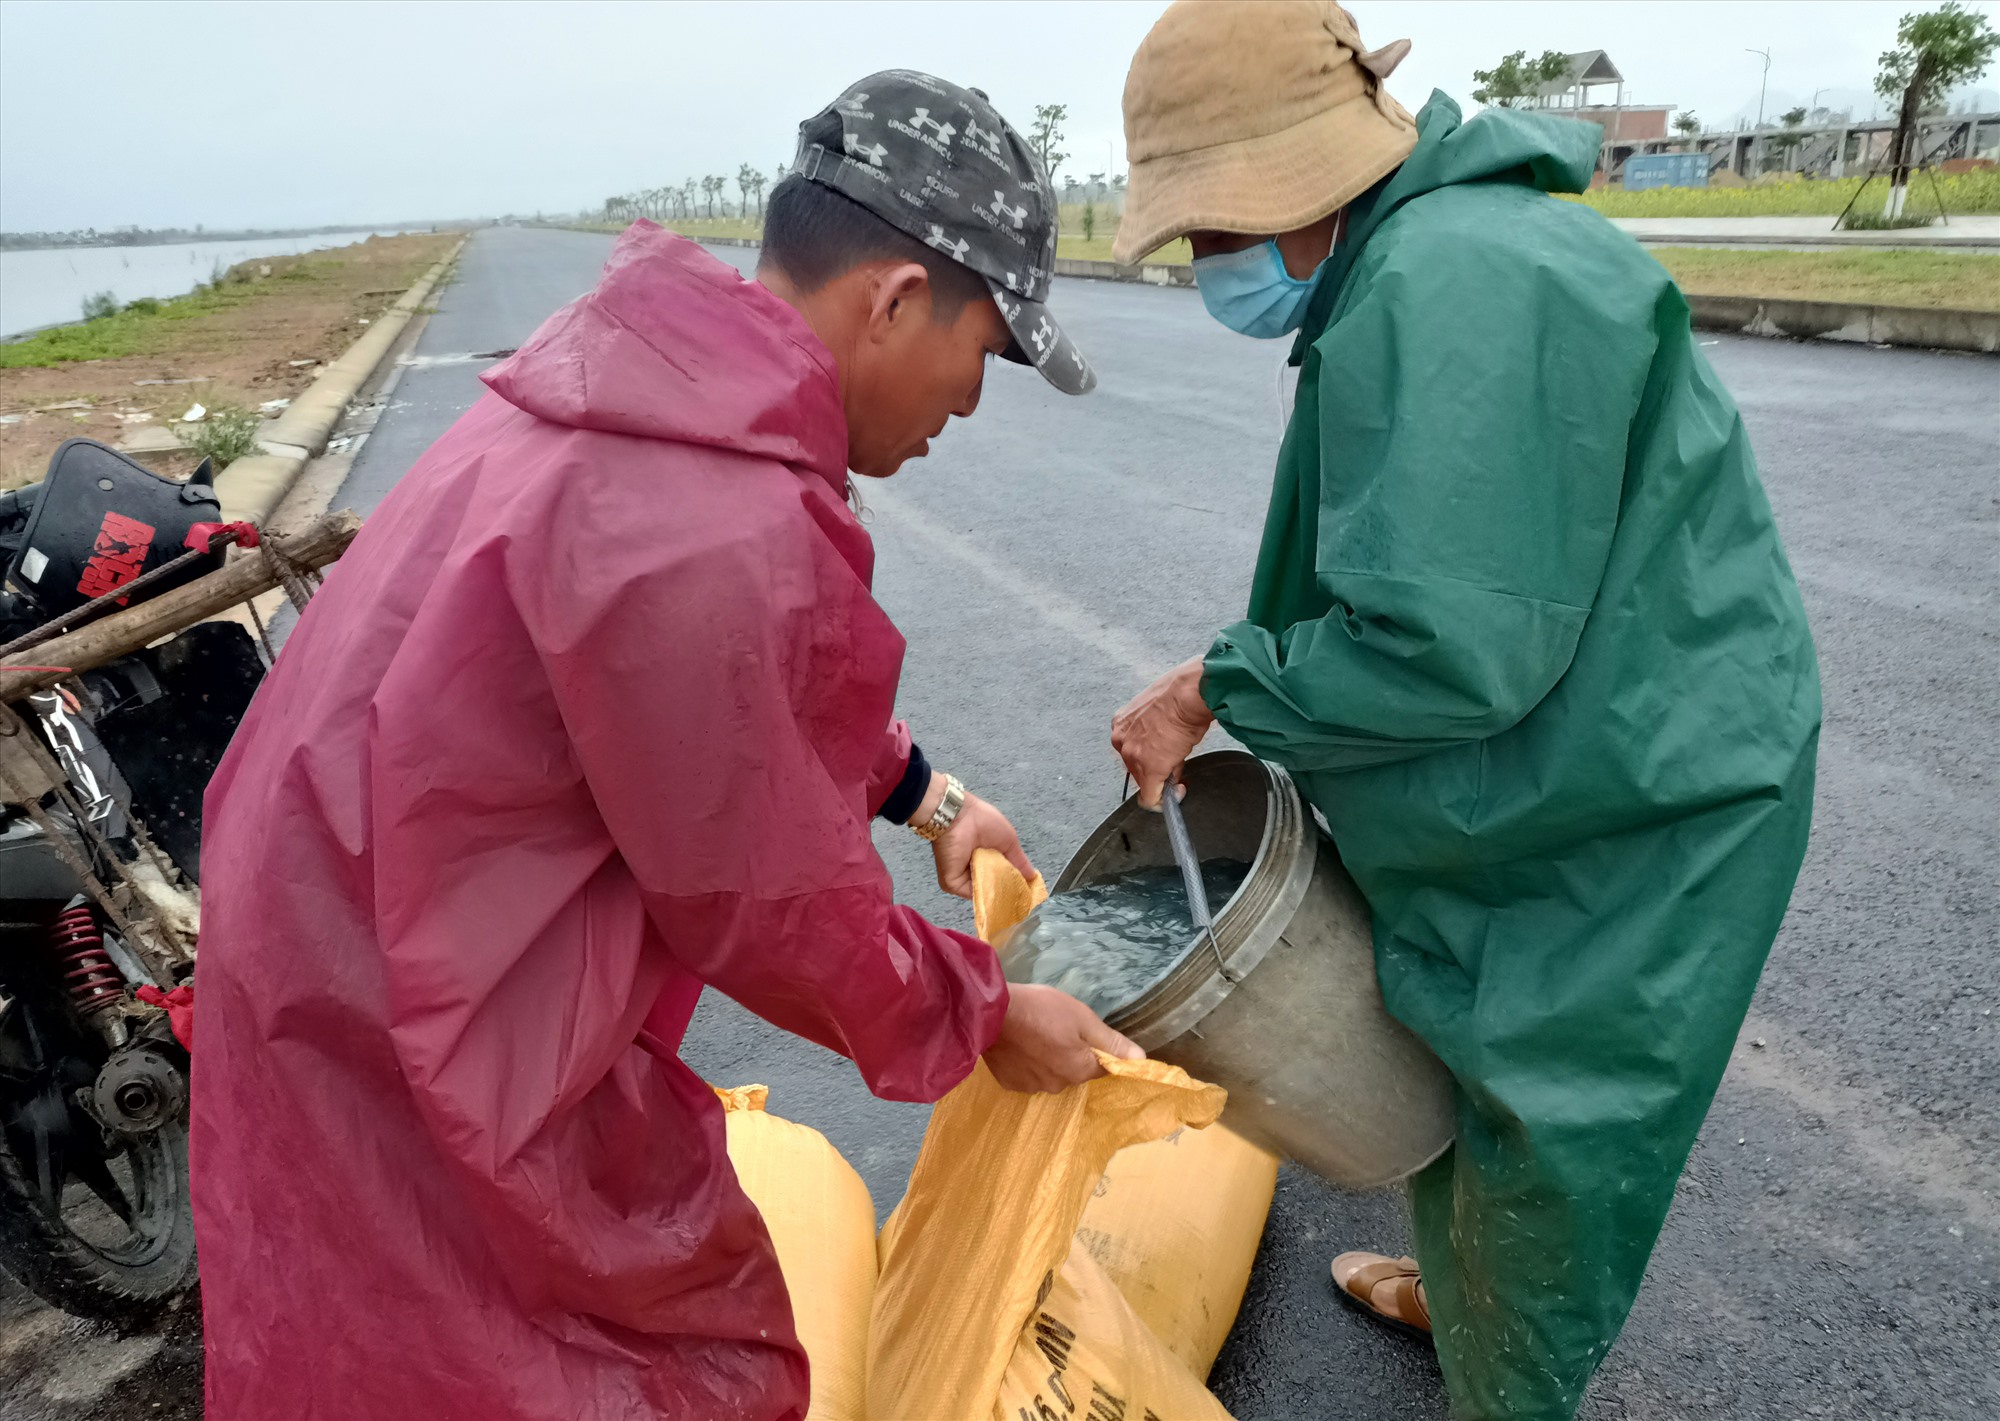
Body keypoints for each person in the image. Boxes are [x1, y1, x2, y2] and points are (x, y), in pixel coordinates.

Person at [192, 72, 1132, 1421]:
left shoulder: (629, 396)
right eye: (987, 351)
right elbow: (782, 907)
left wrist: (927, 796)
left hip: (330, 930)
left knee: (377, 1336)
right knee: (601, 1362)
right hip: (410, 998)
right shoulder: (718, 516)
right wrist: (986, 1014)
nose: (973, 403)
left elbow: (712, 697)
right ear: (894, 299)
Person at [1106, 4, 1821, 1417]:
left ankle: (1514, 1368)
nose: (1207, 265)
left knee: (1549, 1097)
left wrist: (1217, 683)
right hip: (1592, 727)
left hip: (1647, 780)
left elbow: (1448, 647)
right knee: (1451, 1024)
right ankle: (1470, 1288)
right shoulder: (1419, 257)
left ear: (1289, 180)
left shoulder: (1455, 284)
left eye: (1206, 230)